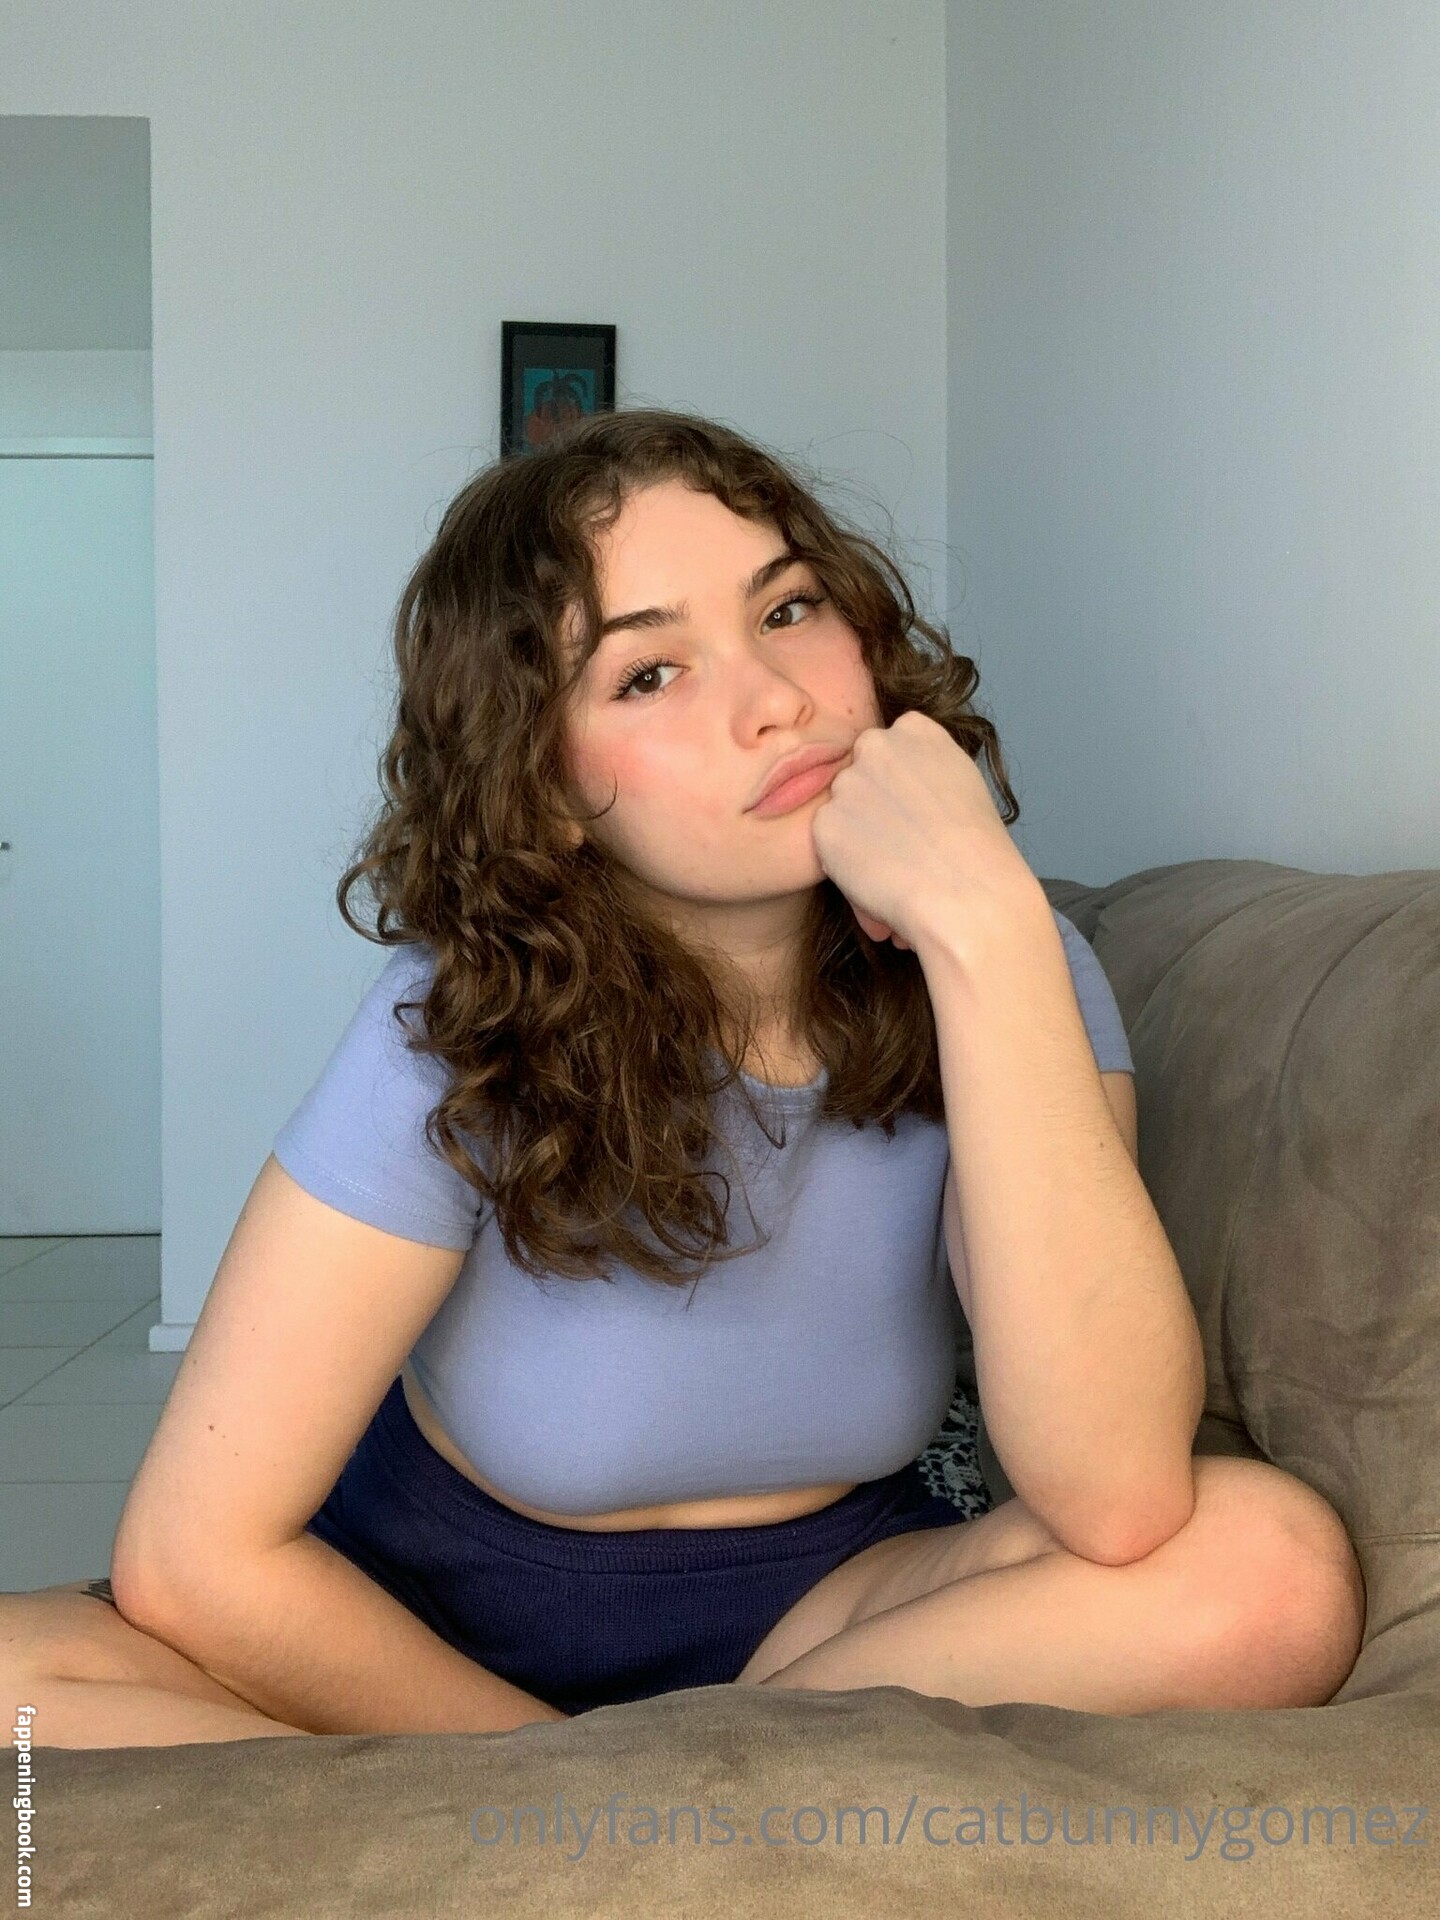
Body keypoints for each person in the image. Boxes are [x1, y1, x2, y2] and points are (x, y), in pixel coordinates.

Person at [3, 409, 1364, 1747]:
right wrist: (555, 1781)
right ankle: (677, 1814)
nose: (776, 702)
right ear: (542, 785)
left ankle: (662, 1800)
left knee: (1270, 1575)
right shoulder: (452, 1020)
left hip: (827, 1623)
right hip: (419, 1623)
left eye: (789, 610)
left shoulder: (1006, 955)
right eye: (649, 674)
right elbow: (196, 1555)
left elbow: (1117, 1497)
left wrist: (987, 929)